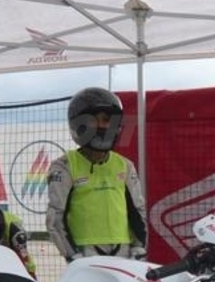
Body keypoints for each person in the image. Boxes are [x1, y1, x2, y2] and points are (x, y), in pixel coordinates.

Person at [46, 87, 147, 263]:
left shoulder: (125, 165)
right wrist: (72, 255)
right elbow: (55, 218)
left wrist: (139, 247)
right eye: (93, 120)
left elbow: (137, 211)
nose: (101, 126)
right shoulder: (65, 166)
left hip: (123, 252)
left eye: (106, 120)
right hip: (85, 253)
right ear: (79, 124)